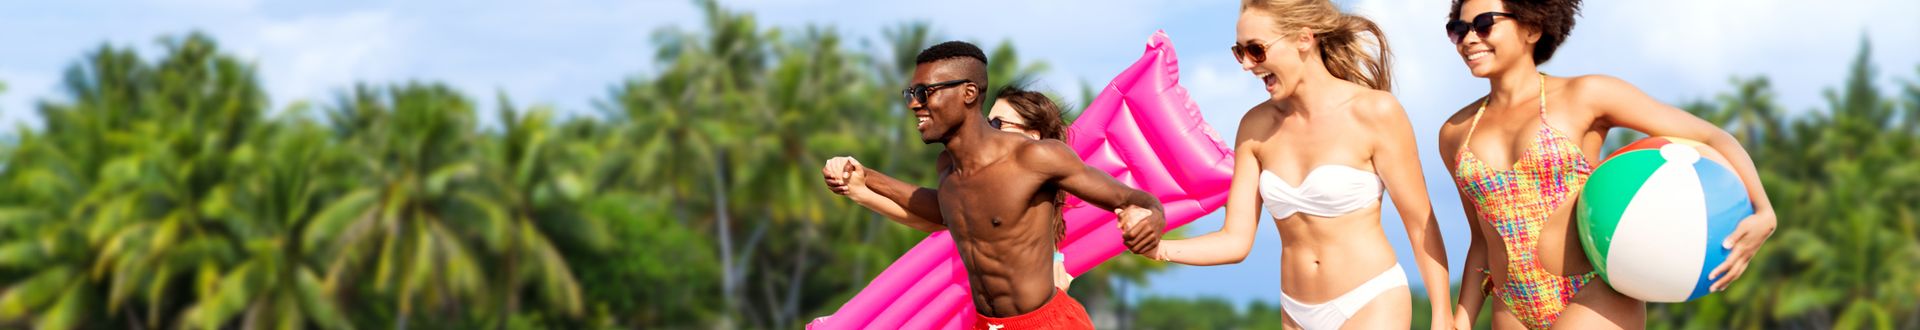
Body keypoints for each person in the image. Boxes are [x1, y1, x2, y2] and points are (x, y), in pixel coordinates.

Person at [1437, 0, 1778, 328]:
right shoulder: (1455, 133)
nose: (1469, 38)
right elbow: (1482, 240)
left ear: (1531, 28)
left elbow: (1712, 137)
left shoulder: (1585, 95)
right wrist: (1461, 321)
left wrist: (1764, 212)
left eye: (1484, 24)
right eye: (1459, 29)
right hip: (1511, 307)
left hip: (1593, 294)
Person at [1116, 0, 1453, 328]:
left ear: (1304, 39)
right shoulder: (1255, 127)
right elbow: (1236, 240)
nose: (1247, 64)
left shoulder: (1375, 112)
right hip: (1295, 312)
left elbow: (1420, 223)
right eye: (1239, 52)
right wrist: (1158, 248)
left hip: (1371, 301)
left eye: (1256, 50)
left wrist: (1442, 315)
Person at [822, 41, 1166, 329]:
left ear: (969, 93)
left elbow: (1135, 199)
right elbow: (944, 209)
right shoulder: (948, 168)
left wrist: (1150, 217)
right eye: (911, 92)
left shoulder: (1034, 158)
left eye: (925, 92)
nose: (914, 103)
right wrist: (866, 178)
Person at [825, 84, 1077, 290]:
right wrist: (861, 192)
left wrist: (868, 177)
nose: (988, 133)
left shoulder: (1025, 188)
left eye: (997, 124)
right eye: (987, 124)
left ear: (1032, 136)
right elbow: (938, 219)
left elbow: (938, 212)